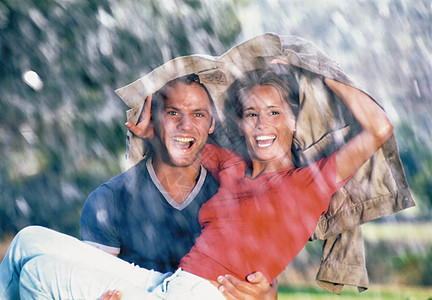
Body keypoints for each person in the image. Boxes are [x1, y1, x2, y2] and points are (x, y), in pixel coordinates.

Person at [0, 63, 393, 299]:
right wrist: (148, 127)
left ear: (293, 120)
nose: (262, 124)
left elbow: (378, 129)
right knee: (28, 241)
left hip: (202, 295)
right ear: (239, 122)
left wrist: (323, 76)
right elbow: (185, 137)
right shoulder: (232, 168)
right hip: (169, 285)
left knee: (37, 275)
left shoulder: (310, 183)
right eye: (252, 114)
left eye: (274, 113)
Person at [0, 74, 275, 300]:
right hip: (152, 288)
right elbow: (90, 280)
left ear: (212, 124)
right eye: (172, 113)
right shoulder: (110, 199)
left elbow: (267, 289)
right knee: (28, 241)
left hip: (194, 292)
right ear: (153, 119)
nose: (186, 125)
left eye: (198, 115)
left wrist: (263, 294)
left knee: (37, 273)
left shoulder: (232, 189)